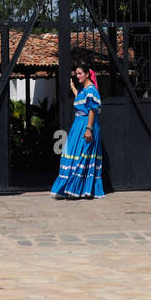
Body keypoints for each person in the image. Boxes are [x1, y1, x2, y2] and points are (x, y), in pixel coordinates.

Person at [51, 61, 104, 199]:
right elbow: (80, 99)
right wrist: (72, 87)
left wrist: (88, 129)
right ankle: (69, 188)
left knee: (82, 155)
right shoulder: (83, 90)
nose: (78, 76)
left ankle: (78, 189)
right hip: (77, 125)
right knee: (71, 153)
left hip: (86, 125)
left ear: (87, 74)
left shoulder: (92, 90)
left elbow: (92, 110)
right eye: (76, 74)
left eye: (80, 74)